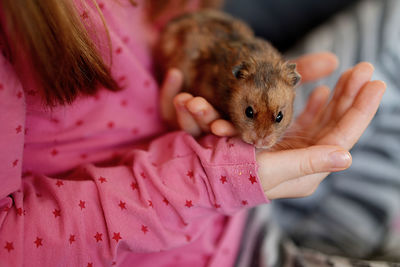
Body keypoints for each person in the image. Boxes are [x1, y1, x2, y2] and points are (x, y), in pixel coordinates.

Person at [0, 0, 385, 266]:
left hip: (243, 209)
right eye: (249, 114)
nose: (263, 136)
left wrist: (160, 93)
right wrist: (212, 179)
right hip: (203, 242)